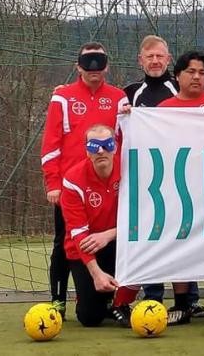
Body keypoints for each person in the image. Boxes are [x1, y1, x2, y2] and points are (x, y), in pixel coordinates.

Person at [39, 42, 129, 320]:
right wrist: (53, 182)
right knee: (63, 243)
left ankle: (117, 299)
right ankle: (57, 301)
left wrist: (135, 116)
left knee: (118, 239)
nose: (94, 70)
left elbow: (127, 139)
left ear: (107, 66)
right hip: (71, 188)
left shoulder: (118, 98)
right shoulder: (63, 98)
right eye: (87, 63)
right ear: (77, 66)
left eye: (99, 63)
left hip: (109, 186)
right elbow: (51, 144)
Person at [121, 35, 204, 318]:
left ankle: (188, 300)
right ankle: (153, 298)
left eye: (160, 56)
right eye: (150, 57)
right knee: (152, 235)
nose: (155, 61)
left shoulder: (178, 88)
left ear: (168, 59)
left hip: (185, 175)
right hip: (148, 177)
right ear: (141, 60)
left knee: (186, 234)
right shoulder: (130, 93)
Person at [158, 50, 204, 324]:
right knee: (181, 242)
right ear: (177, 76)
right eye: (191, 71)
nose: (196, 77)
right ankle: (182, 304)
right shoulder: (162, 111)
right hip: (179, 188)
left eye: (202, 72)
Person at [59, 124, 123, 327]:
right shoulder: (72, 180)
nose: (101, 151)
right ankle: (98, 297)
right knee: (90, 318)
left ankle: (123, 301)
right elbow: (78, 235)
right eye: (95, 146)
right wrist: (96, 274)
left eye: (107, 144)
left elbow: (142, 221)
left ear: (115, 147)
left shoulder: (131, 170)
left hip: (120, 242)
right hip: (85, 248)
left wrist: (109, 235)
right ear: (87, 150)